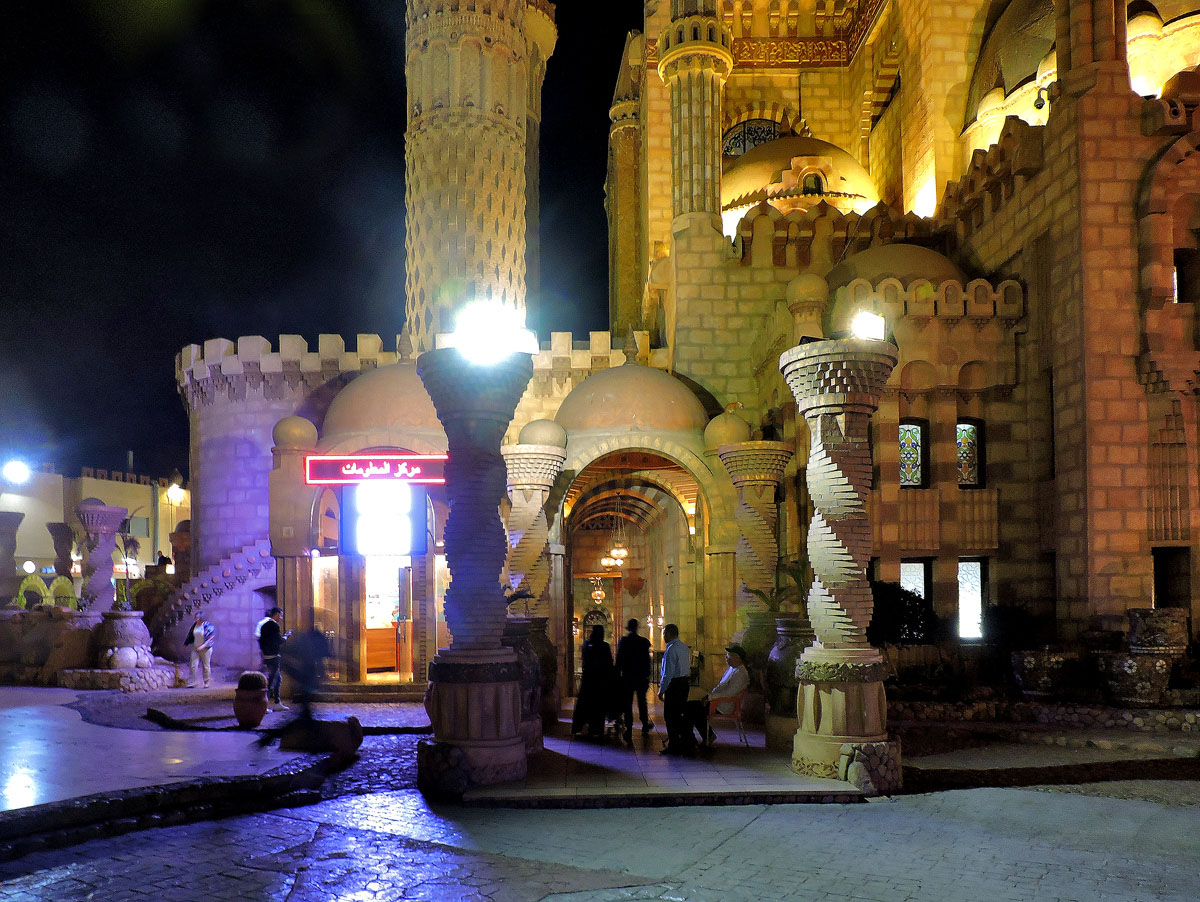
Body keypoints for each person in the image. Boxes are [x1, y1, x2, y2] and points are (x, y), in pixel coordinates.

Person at [688, 644, 751, 748]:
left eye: (729, 655)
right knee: (690, 707)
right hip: (717, 701)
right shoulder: (733, 669)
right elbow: (721, 687)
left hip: (722, 705)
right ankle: (692, 738)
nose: (726, 657)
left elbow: (730, 693)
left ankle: (696, 738)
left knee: (692, 709)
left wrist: (710, 698)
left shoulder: (740, 674)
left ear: (737, 658)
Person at [657, 623, 694, 755]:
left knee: (670, 716)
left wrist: (661, 690)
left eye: (664, 633)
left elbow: (668, 673)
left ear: (668, 634)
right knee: (679, 714)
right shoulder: (684, 647)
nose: (663, 636)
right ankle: (684, 742)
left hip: (675, 685)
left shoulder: (671, 649)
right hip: (684, 683)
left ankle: (674, 745)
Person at [281, 627, 331, 722]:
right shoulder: (311, 643)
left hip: (305, 674)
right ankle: (306, 718)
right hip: (306, 674)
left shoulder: (305, 641)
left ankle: (306, 716)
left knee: (306, 696)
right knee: (306, 695)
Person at [572, 624, 613, 740]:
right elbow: (609, 663)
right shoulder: (604, 646)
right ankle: (597, 729)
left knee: (585, 704)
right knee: (598, 706)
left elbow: (585, 660)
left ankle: (581, 727)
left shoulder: (586, 644)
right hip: (600, 681)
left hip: (588, 680)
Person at [615, 618, 653, 742]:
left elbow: (619, 660)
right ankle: (644, 725)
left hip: (627, 677)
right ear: (637, 628)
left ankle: (629, 729)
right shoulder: (643, 642)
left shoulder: (624, 642)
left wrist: (617, 674)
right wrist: (647, 674)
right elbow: (647, 661)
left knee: (627, 703)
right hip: (640, 677)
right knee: (642, 702)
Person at [257, 607, 290, 709]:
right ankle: (264, 705)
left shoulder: (264, 626)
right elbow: (279, 641)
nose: (281, 617)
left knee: (277, 678)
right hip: (273, 656)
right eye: (281, 615)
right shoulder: (274, 626)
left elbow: (260, 641)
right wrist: (287, 636)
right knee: (271, 680)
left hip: (267, 655)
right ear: (276, 614)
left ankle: (276, 702)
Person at [184, 611, 216, 688]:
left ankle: (206, 681)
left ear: (201, 618)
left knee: (206, 666)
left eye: (197, 618)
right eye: (195, 618)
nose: (195, 619)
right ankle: (193, 681)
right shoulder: (195, 625)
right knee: (193, 665)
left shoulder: (208, 626)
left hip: (206, 649)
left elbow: (210, 638)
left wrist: (203, 646)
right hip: (196, 648)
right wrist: (186, 644)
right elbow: (190, 635)